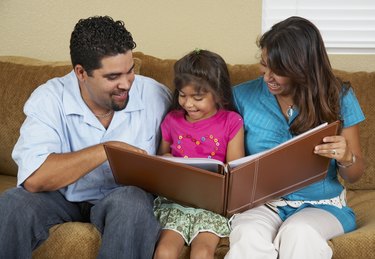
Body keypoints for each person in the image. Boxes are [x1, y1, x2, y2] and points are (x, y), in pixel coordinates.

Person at [0, 16, 171, 258]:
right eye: (113, 77)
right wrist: (106, 150)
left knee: (133, 201)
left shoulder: (156, 95)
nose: (126, 84)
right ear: (81, 72)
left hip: (123, 200)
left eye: (129, 71)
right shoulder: (49, 98)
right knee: (13, 203)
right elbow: (35, 178)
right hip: (61, 197)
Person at [225, 16, 365, 259]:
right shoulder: (242, 96)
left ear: (302, 69)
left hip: (322, 206)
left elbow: (354, 175)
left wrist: (346, 157)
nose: (266, 75)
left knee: (298, 232)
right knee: (247, 234)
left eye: (278, 70)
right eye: (264, 64)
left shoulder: (339, 96)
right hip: (263, 205)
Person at [153, 49, 245, 259]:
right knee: (164, 251)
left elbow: (235, 171)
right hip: (176, 202)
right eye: (182, 95)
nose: (188, 104)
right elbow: (160, 159)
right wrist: (165, 160)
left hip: (211, 205)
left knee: (202, 253)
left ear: (218, 95)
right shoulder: (171, 120)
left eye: (198, 97)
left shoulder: (231, 122)